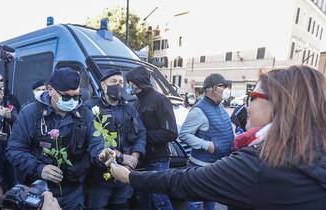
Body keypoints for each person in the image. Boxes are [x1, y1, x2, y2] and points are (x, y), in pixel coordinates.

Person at [110, 65, 326, 210]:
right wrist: (207, 145)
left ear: (279, 104)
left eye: (252, 97)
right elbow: (187, 136)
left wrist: (130, 177)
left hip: (210, 170)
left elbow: (186, 180)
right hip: (210, 167)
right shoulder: (316, 146)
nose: (246, 106)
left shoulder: (261, 164)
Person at [5, 67, 114, 210]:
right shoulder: (31, 113)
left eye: (76, 96)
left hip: (73, 191)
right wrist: (39, 168)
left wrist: (102, 154)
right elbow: (14, 150)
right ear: (50, 90)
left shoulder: (85, 115)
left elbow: (96, 143)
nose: (72, 101)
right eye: (66, 97)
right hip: (40, 191)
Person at [84, 69, 146, 210]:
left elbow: (141, 134)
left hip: (124, 174)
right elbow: (90, 143)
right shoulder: (90, 108)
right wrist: (121, 157)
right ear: (103, 85)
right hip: (99, 176)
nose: (118, 85)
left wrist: (132, 160)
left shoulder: (129, 108)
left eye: (121, 82)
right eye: (113, 81)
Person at [125, 66, 178, 210]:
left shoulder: (160, 100)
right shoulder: (135, 103)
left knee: (160, 199)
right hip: (141, 160)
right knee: (142, 199)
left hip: (157, 159)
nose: (128, 86)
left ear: (139, 83)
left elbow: (171, 132)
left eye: (131, 83)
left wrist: (142, 137)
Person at [178, 73, 234, 210]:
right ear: (214, 89)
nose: (226, 90)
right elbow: (184, 134)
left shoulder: (220, 106)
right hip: (200, 166)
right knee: (195, 203)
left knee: (210, 200)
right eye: (223, 87)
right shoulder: (199, 110)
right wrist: (207, 145)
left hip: (216, 166)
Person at [0, 74, 18, 192]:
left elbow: (18, 127)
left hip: (8, 160)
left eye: (1, 83)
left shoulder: (8, 107)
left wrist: (10, 117)